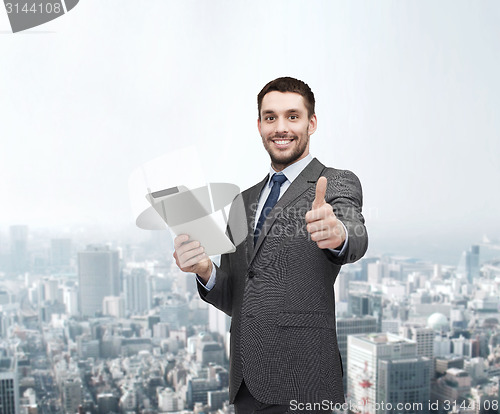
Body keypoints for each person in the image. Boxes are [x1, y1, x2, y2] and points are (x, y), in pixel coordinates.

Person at [173, 77, 368, 413]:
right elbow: (236, 296)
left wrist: (338, 233)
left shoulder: (335, 181)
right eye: (270, 117)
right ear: (260, 125)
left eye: (293, 116)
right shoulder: (241, 201)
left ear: (312, 123)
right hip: (246, 382)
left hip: (302, 381)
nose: (281, 127)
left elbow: (355, 234)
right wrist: (205, 270)